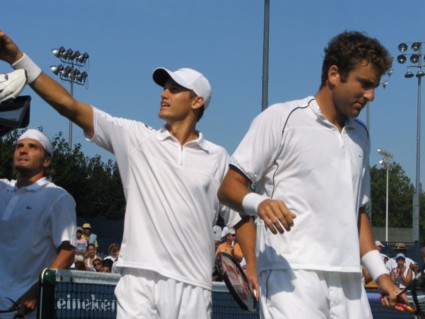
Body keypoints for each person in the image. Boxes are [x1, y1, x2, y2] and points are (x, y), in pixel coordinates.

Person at [0, 30, 257, 319]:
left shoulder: (218, 157)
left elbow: (242, 218)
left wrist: (251, 268)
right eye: (164, 88)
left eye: (174, 89)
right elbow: (68, 106)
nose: (163, 93)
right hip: (137, 281)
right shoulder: (136, 138)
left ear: (197, 102)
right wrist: (17, 58)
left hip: (193, 287)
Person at [218, 31, 406, 318]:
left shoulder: (361, 136)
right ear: (334, 74)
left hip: (348, 280)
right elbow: (229, 187)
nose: (371, 95)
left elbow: (358, 215)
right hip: (289, 276)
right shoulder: (281, 118)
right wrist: (261, 204)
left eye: (375, 86)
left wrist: (381, 276)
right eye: (365, 84)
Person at [0, 129, 76, 318]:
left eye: (32, 147)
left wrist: (36, 292)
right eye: (19, 146)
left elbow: (67, 253)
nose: (23, 150)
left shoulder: (58, 197)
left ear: (46, 161)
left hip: (22, 310)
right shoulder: (2, 189)